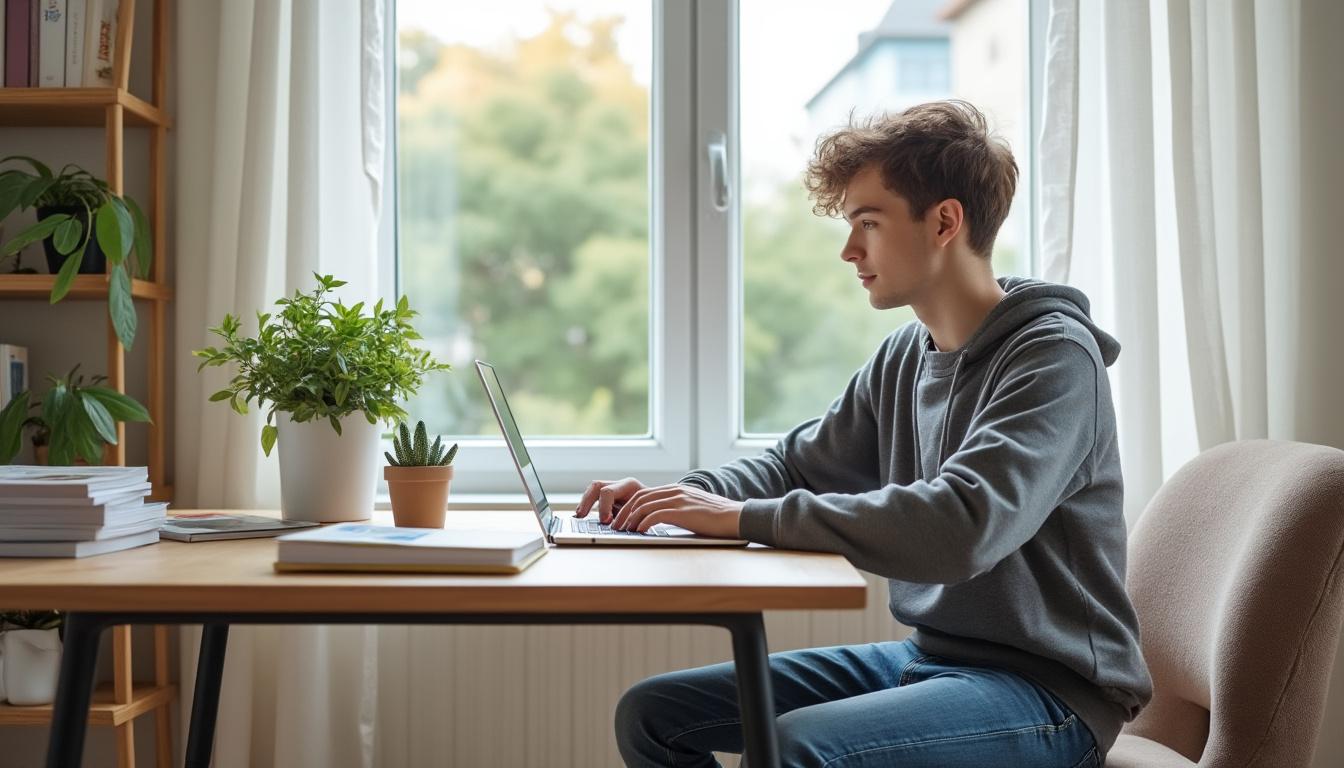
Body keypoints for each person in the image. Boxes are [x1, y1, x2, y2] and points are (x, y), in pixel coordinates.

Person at [575, 100, 1152, 767]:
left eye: (867, 224)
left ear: (943, 221)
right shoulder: (906, 355)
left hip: (1048, 694)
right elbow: (794, 466)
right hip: (929, 657)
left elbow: (962, 527)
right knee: (654, 715)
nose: (849, 250)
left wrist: (739, 518)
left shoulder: (1053, 357)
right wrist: (673, 499)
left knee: (801, 747)